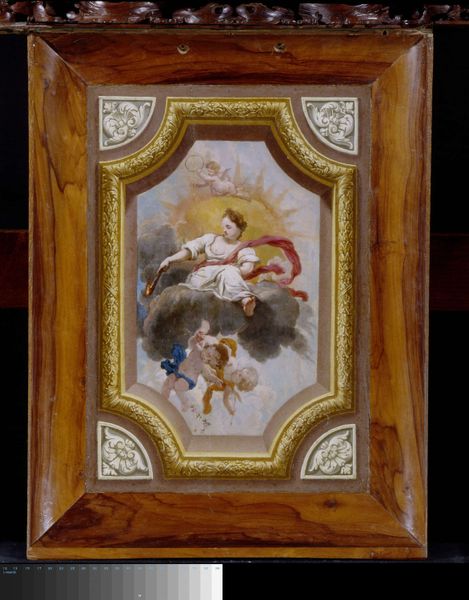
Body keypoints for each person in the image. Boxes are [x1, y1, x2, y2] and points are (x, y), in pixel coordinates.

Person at [156, 208, 259, 316]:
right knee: (228, 271)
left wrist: (233, 270)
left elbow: (247, 269)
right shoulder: (210, 239)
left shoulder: (243, 249)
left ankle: (246, 302)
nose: (224, 230)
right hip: (203, 277)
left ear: (239, 229)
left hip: (226, 280)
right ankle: (242, 297)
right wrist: (169, 259)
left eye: (228, 227)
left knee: (228, 271)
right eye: (223, 227)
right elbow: (188, 252)